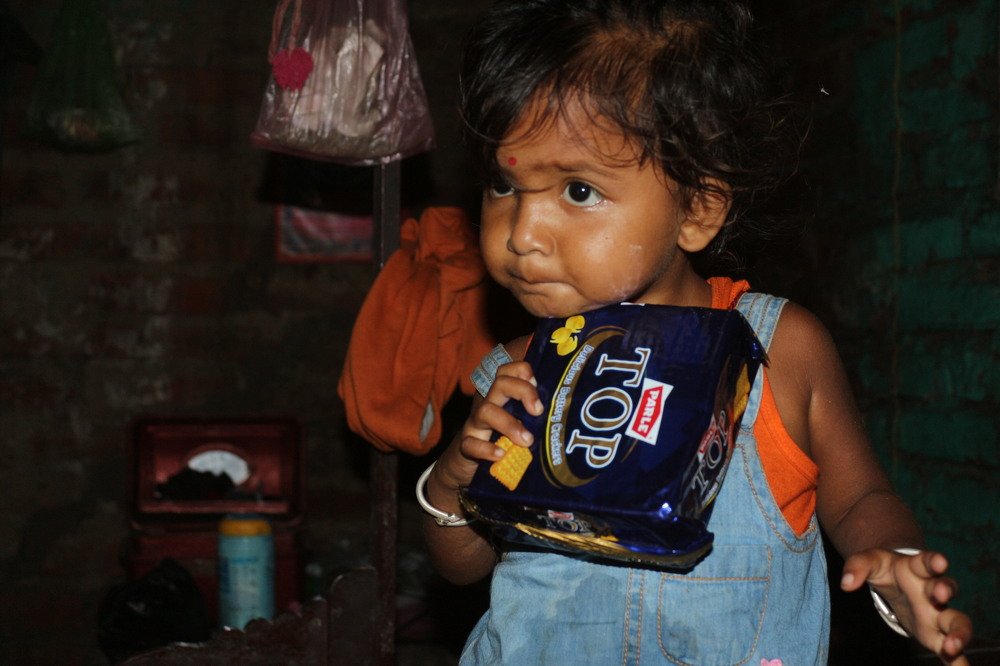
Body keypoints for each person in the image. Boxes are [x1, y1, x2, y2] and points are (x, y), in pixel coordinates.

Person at [418, 0, 974, 663]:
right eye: (504, 186)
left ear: (697, 208)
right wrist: (453, 478)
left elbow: (860, 499)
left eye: (578, 191)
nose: (522, 235)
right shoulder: (518, 373)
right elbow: (461, 565)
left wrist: (895, 560)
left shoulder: (778, 351)